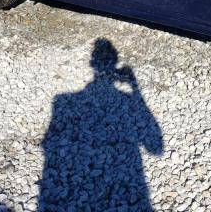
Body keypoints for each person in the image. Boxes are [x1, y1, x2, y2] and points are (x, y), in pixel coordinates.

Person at [39, 38, 163, 211]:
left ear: (91, 63)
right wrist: (135, 89)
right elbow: (155, 147)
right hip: (128, 178)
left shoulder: (61, 101)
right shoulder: (126, 101)